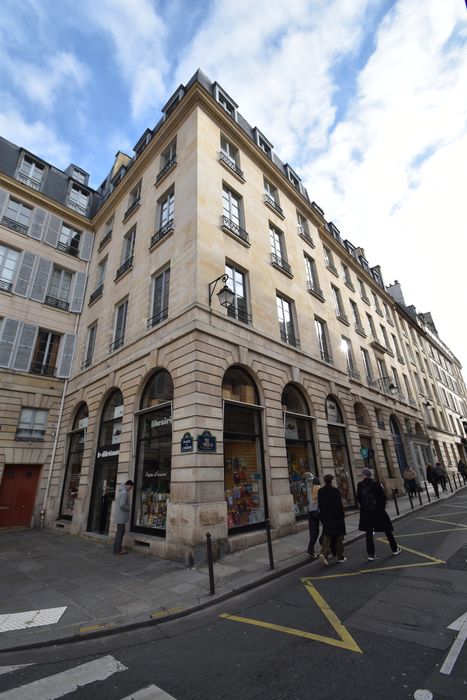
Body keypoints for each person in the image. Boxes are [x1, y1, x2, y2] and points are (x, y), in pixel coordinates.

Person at [357, 467, 401, 561]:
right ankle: (395, 549)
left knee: (368, 533)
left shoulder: (360, 485)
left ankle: (371, 554)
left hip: (366, 512)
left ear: (364, 475)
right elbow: (383, 498)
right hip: (378, 511)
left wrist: (365, 507)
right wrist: (380, 508)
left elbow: (359, 498)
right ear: (370, 475)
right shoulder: (376, 484)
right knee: (387, 530)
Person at [318, 474, 346, 565]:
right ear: (331, 481)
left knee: (327, 537)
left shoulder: (320, 491)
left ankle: (323, 554)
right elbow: (339, 505)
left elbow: (320, 505)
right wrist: (342, 515)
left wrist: (322, 517)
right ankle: (340, 556)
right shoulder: (335, 491)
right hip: (336, 517)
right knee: (339, 538)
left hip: (326, 517)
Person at [113, 479, 134, 555]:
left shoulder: (121, 491)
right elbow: (122, 505)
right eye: (131, 487)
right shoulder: (124, 492)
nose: (130, 489)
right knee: (120, 533)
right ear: (129, 485)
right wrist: (128, 509)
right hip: (121, 517)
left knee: (119, 533)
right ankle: (118, 551)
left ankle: (116, 549)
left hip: (119, 516)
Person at [303, 472, 320, 559]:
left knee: (314, 532)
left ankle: (311, 549)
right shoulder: (314, 489)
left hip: (311, 512)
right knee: (315, 532)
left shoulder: (310, 489)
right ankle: (310, 550)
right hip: (314, 512)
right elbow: (314, 502)